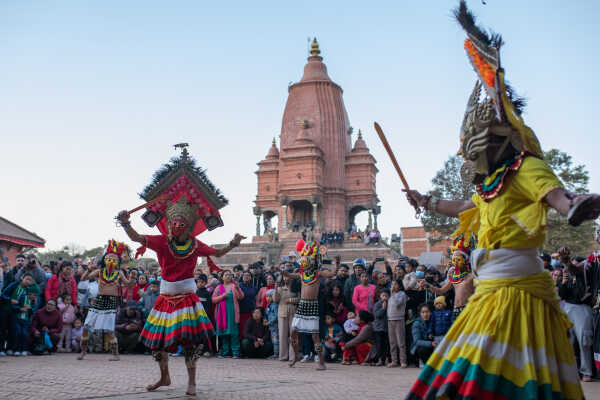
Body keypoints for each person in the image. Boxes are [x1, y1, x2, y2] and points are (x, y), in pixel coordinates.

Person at [404, 3, 600, 398]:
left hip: (518, 296)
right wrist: (426, 201)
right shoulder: (490, 185)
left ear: (502, 138)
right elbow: (464, 208)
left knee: (498, 378)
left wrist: (575, 206)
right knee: (463, 373)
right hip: (489, 292)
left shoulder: (527, 167)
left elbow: (558, 198)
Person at [281, 240, 336, 370]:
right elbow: (289, 275)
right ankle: (295, 357)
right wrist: (283, 271)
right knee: (293, 333)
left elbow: (332, 274)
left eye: (306, 262)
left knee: (315, 336)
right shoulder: (301, 274)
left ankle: (321, 362)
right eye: (304, 263)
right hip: (302, 306)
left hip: (312, 306)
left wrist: (336, 264)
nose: (304, 265)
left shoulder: (318, 273)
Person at [78, 241, 133, 362]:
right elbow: (83, 278)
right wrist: (88, 269)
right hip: (99, 300)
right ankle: (83, 352)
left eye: (114, 258)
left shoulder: (118, 273)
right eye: (108, 258)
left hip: (111, 301)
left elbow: (129, 286)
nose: (111, 260)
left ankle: (116, 354)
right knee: (86, 326)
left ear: (118, 261)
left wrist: (132, 278)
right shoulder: (99, 271)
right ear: (104, 260)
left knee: (109, 330)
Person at [557, 247, 595, 382]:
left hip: (582, 309)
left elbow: (575, 270)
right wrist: (562, 282)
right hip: (567, 308)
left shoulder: (584, 272)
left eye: (575, 263)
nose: (573, 265)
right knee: (569, 341)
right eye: (571, 262)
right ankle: (573, 371)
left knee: (584, 341)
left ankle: (586, 371)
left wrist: (566, 262)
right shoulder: (566, 275)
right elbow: (561, 295)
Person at [420, 234, 475, 321]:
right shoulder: (454, 278)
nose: (455, 262)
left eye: (458, 259)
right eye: (454, 260)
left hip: (469, 309)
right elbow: (441, 290)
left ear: (466, 260)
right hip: (456, 309)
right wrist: (428, 285)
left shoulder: (472, 276)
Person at [1, 272, 40, 355]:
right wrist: (10, 300)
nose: (28, 281)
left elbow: (30, 301)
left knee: (13, 331)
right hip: (5, 310)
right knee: (3, 329)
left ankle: (10, 348)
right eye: (27, 279)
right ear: (22, 278)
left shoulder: (28, 290)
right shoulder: (14, 285)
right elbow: (3, 295)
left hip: (15, 312)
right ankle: (1, 349)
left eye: (30, 280)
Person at [212, 270, 244, 359]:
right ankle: (225, 352)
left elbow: (241, 297)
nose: (228, 276)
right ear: (222, 277)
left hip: (232, 313)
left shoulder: (234, 286)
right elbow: (213, 300)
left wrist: (238, 288)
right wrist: (222, 296)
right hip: (221, 314)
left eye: (230, 275)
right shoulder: (218, 287)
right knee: (223, 333)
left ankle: (235, 352)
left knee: (234, 333)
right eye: (226, 275)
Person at [273, 272, 299, 362]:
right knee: (282, 335)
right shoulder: (280, 288)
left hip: (293, 312)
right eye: (284, 277)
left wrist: (291, 300)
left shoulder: (295, 288)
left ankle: (293, 356)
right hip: (282, 313)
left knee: (293, 335)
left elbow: (300, 299)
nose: (286, 279)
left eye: (288, 277)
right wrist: (275, 289)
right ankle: (283, 356)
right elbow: (275, 300)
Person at [387, 278, 407, 368]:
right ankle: (394, 360)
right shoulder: (391, 295)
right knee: (392, 342)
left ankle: (403, 361)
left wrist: (392, 294)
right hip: (390, 320)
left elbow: (397, 304)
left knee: (400, 342)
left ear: (400, 285)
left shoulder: (402, 294)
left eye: (395, 284)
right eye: (392, 284)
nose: (393, 286)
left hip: (399, 319)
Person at [372, 289, 390, 366]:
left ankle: (386, 359)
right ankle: (379, 359)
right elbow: (377, 315)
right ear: (380, 296)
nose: (384, 297)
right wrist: (383, 309)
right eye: (383, 296)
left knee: (386, 344)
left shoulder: (390, 304)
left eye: (386, 296)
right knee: (379, 345)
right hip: (378, 329)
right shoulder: (377, 304)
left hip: (387, 328)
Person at [264, 289, 279, 360]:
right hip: (271, 327)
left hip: (275, 327)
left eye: (270, 296)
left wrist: (269, 322)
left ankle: (276, 355)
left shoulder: (275, 305)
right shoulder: (268, 306)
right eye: (267, 297)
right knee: (273, 341)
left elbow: (276, 316)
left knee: (276, 341)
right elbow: (266, 315)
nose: (268, 298)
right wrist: (265, 320)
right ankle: (275, 354)